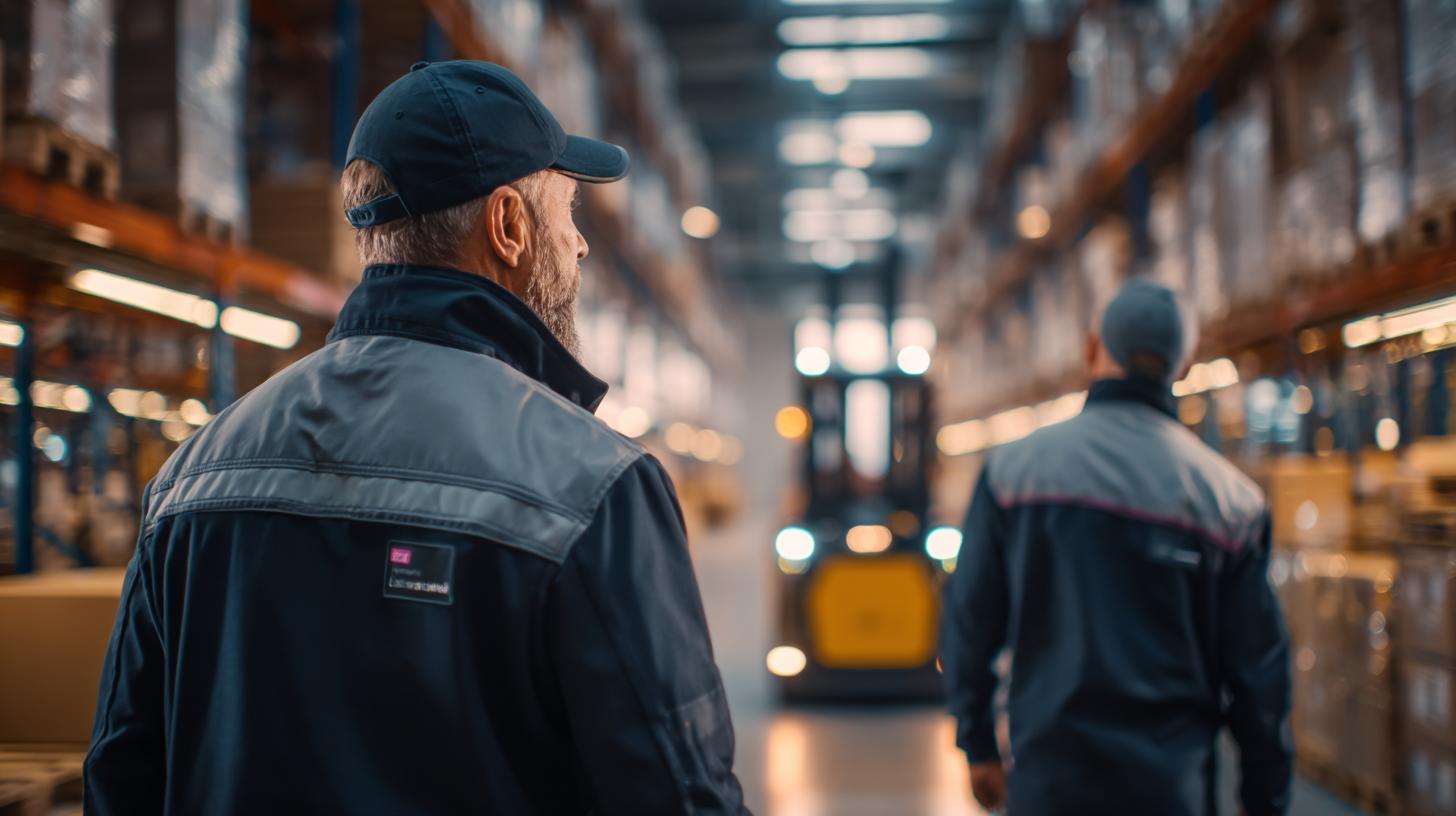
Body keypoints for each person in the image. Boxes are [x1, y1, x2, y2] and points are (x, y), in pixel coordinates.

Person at [85, 60, 747, 815]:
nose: (580, 246)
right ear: (509, 226)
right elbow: (679, 798)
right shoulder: (594, 486)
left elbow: (122, 772)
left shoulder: (191, 476)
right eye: (568, 214)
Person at [940, 279, 1292, 816]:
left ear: (1091, 349)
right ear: (1186, 365)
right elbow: (1259, 677)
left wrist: (978, 740)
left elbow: (970, 617)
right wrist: (1264, 799)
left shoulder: (1014, 474)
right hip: (1170, 791)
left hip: (1049, 782)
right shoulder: (1231, 503)